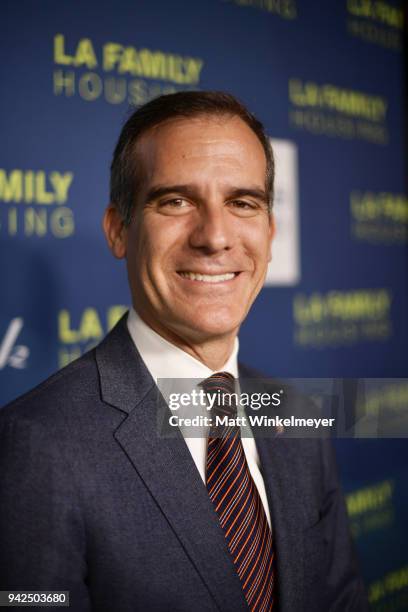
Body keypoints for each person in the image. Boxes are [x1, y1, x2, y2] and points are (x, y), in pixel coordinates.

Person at [0, 91, 368, 611]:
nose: (215, 237)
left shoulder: (297, 415)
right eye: (176, 201)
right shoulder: (35, 445)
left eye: (242, 203)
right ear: (119, 230)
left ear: (270, 230)